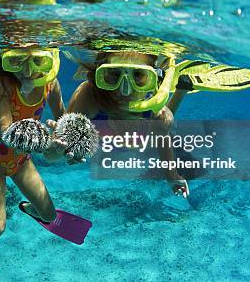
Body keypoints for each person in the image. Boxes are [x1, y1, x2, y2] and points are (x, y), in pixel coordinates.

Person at [0, 47, 67, 282]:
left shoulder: (51, 83)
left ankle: (27, 208)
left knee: (49, 216)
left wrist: (65, 144)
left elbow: (63, 121)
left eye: (37, 61)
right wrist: (47, 143)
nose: (28, 71)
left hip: (21, 161)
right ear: (7, 60)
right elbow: (6, 129)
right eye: (19, 62)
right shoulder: (1, 83)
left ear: (50, 60)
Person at [66, 49, 191, 197]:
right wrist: (61, 146)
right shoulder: (90, 97)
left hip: (137, 133)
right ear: (101, 72)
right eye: (115, 74)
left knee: (164, 123)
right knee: (161, 125)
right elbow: (60, 146)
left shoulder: (150, 102)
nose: (125, 90)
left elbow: (162, 137)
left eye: (137, 74)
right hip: (122, 133)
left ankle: (181, 91)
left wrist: (172, 176)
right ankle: (181, 90)